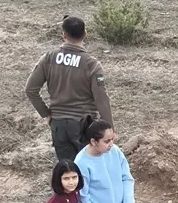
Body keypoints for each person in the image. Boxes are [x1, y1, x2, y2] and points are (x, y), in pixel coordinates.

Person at [25, 16, 113, 161]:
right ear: (85, 34)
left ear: (64, 35)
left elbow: (30, 90)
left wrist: (46, 114)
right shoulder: (92, 65)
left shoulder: (48, 58)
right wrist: (109, 129)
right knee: (88, 167)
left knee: (67, 170)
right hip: (84, 125)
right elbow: (101, 98)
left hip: (58, 125)